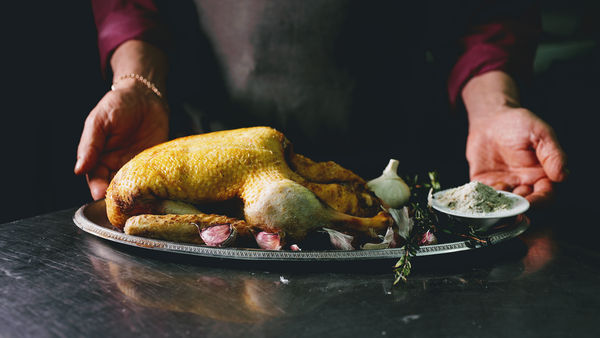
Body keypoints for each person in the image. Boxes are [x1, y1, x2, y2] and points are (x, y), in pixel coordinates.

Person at [75, 0, 567, 206]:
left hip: (405, 176)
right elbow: (134, 7)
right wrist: (138, 83)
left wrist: (492, 107)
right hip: (211, 173)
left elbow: (487, 14)